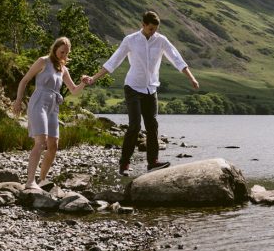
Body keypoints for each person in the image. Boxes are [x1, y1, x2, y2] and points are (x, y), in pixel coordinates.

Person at [83, 10, 199, 176]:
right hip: (133, 87)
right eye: (151, 28)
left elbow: (176, 58)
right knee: (135, 125)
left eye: (155, 29)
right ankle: (124, 164)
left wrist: (192, 78)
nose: (153, 32)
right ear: (143, 25)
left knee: (152, 125)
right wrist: (94, 78)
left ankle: (152, 162)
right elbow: (113, 61)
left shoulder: (161, 40)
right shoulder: (130, 40)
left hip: (151, 89)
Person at [13, 37, 85, 189]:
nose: (63, 55)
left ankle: (42, 179)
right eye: (61, 52)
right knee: (41, 142)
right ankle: (30, 181)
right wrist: (18, 101)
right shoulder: (43, 61)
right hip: (39, 102)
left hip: (53, 106)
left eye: (66, 53)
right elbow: (24, 80)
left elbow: (74, 90)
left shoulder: (63, 69)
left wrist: (84, 82)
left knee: (53, 145)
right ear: (55, 49)